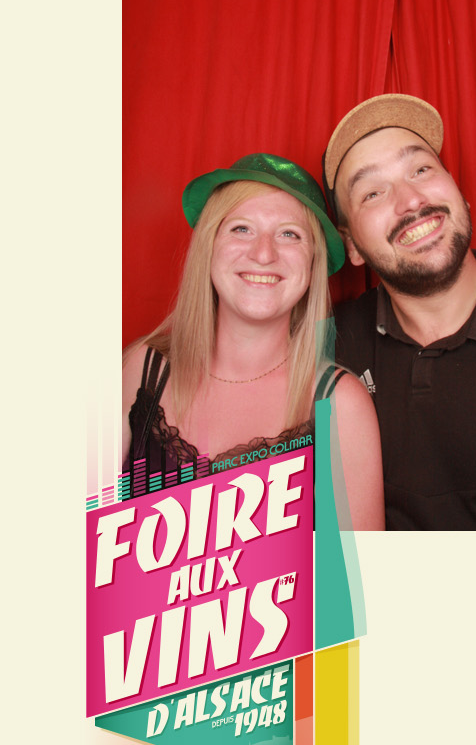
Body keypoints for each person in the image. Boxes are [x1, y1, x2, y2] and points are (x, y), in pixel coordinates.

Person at [323, 93, 476, 530]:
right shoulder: (329, 347)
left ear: (461, 195)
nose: (411, 201)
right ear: (351, 245)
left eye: (421, 170)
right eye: (372, 192)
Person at [122, 153, 384, 532]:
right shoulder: (140, 371)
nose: (263, 254)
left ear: (313, 262)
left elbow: (352, 568)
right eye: (242, 229)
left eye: (289, 234)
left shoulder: (340, 406)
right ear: (209, 246)